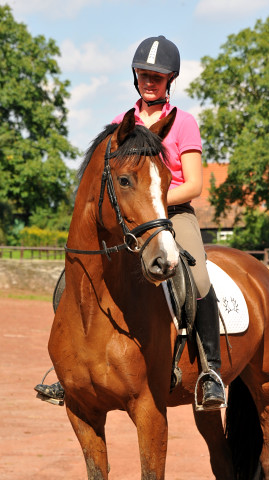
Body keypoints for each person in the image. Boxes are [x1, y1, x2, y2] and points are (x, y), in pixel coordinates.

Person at [35, 35, 225, 410]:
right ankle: (69, 368)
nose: (148, 81)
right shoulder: (120, 124)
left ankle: (210, 371)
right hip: (129, 219)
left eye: (157, 76)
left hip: (173, 215)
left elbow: (195, 183)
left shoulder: (183, 123)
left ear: (171, 79)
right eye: (143, 74)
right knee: (75, 276)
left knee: (199, 277)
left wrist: (152, 200)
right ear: (134, 76)